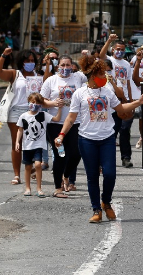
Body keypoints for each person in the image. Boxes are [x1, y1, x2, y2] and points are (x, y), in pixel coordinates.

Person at [56, 54, 143, 223]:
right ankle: (96, 209)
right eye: (101, 74)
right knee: (92, 176)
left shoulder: (107, 92)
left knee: (110, 174)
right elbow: (70, 118)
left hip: (107, 138)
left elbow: (120, 108)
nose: (104, 77)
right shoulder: (79, 94)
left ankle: (106, 202)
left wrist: (138, 102)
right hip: (87, 140)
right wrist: (61, 134)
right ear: (92, 76)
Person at [40, 55, 88, 198]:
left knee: (76, 153)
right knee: (59, 155)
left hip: (76, 122)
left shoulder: (78, 77)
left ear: (72, 66)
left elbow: (92, 70)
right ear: (58, 66)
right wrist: (53, 104)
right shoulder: (51, 80)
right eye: (62, 65)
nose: (65, 68)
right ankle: (57, 188)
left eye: (68, 65)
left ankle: (66, 175)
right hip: (56, 124)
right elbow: (41, 100)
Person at [0, 48, 41, 185]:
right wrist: (4, 55)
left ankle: (31, 166)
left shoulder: (37, 75)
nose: (30, 63)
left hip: (33, 111)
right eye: (27, 60)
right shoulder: (15, 74)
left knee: (33, 141)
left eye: (32, 61)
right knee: (17, 143)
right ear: (22, 62)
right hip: (16, 111)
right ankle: (17, 175)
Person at [99, 34, 136, 168]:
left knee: (125, 129)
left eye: (122, 49)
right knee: (112, 130)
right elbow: (102, 55)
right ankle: (108, 159)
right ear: (113, 49)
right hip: (111, 100)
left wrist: (131, 101)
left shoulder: (126, 64)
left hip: (124, 99)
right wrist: (109, 40)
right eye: (118, 49)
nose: (120, 51)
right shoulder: (109, 60)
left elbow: (128, 83)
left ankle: (126, 157)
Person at [15, 93, 52, 197]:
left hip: (38, 145)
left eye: (37, 103)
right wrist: (17, 142)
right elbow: (20, 130)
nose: (34, 104)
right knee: (27, 167)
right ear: (28, 102)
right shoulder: (23, 116)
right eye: (32, 102)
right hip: (27, 146)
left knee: (37, 165)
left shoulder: (43, 115)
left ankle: (39, 188)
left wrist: (58, 107)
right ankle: (28, 188)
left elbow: (56, 119)